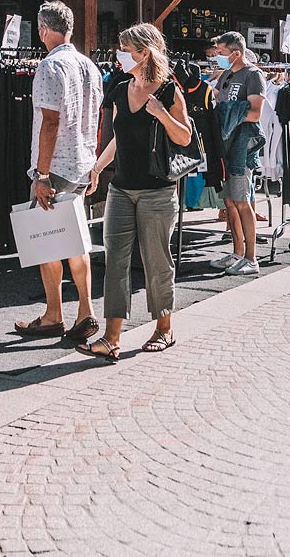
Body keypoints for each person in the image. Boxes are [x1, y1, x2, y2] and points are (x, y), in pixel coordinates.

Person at [79, 23, 193, 362]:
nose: (119, 54)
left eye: (125, 48)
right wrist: (98, 168)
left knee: (156, 261)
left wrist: (161, 114)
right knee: (114, 260)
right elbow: (119, 137)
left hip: (157, 190)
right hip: (121, 188)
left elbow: (185, 137)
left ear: (144, 53)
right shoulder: (119, 88)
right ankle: (112, 337)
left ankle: (164, 328)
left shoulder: (170, 91)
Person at [16, 0, 103, 341]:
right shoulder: (89, 66)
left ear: (43, 30)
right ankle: (85, 310)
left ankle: (54, 314)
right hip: (82, 162)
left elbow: (50, 122)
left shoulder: (50, 67)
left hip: (57, 166)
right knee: (76, 241)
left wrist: (41, 174)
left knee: (49, 244)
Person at [212, 31, 267, 275]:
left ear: (236, 53)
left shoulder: (253, 75)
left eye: (222, 53)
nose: (218, 57)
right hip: (225, 144)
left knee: (243, 201)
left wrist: (227, 115)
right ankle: (237, 252)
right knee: (230, 201)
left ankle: (251, 258)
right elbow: (220, 101)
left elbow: (255, 112)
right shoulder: (226, 74)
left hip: (242, 145)